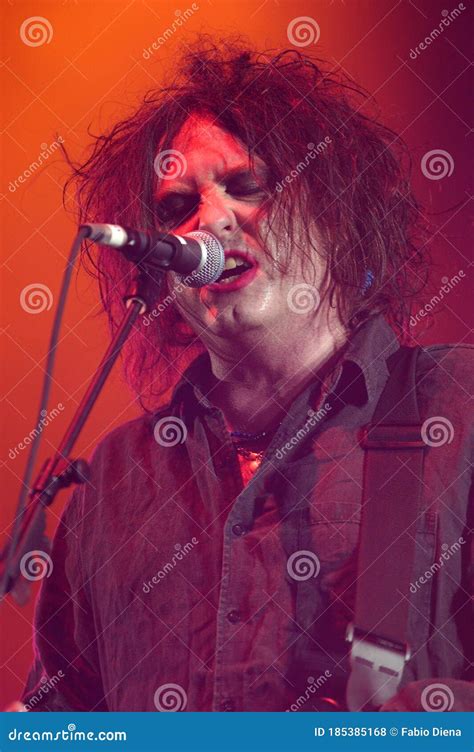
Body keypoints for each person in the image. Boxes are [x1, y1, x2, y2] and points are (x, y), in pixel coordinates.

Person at [20, 38, 473, 712]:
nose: (211, 220)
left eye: (245, 186)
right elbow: (66, 713)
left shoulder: (457, 412)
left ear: (335, 212)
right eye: (176, 210)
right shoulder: (112, 479)